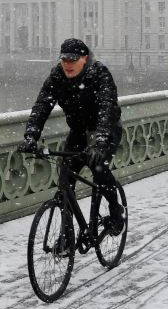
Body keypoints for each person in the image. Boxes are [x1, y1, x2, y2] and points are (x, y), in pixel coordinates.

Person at [17, 38, 124, 237]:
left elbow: (106, 109)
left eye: (73, 60)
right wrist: (31, 136)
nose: (67, 64)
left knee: (98, 169)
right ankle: (67, 235)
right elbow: (42, 106)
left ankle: (116, 211)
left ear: (84, 58)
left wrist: (100, 142)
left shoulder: (99, 74)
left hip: (105, 130)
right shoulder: (57, 76)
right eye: (64, 59)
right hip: (78, 131)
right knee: (65, 177)